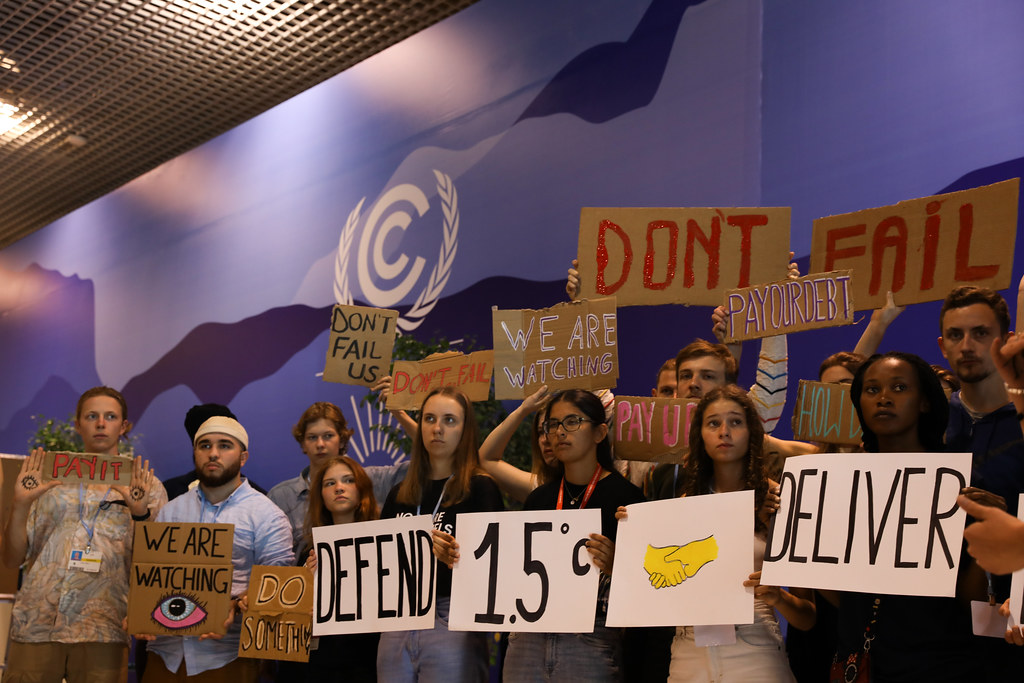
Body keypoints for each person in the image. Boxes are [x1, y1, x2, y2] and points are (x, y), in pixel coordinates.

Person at [835, 351, 987, 681]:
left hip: (942, 666)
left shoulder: (959, 484)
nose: (884, 398)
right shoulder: (840, 484)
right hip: (861, 666)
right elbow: (839, 597)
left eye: (900, 388)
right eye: (872, 390)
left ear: (925, 402)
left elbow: (974, 604)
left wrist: (990, 536)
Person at [1, 386, 166, 683]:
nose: (101, 423)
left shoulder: (147, 486)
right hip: (35, 626)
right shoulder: (46, 479)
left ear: (123, 426)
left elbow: (156, 565)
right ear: (77, 424)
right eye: (92, 416)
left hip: (103, 629)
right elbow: (12, 560)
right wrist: (21, 503)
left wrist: (140, 514)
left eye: (110, 416)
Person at [654, 385, 808, 682]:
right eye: (713, 423)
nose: (724, 431)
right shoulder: (682, 506)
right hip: (688, 652)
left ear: (752, 432)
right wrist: (633, 527)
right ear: (700, 434)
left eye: (736, 422)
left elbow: (808, 617)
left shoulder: (778, 499)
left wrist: (779, 598)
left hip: (755, 646)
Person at [493, 389, 645, 682]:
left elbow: (650, 583)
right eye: (553, 425)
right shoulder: (539, 499)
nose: (560, 432)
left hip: (590, 638)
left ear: (600, 432)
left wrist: (618, 566)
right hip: (528, 638)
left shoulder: (627, 500)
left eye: (573, 422)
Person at [142, 415, 294, 682]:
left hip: (226, 657)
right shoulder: (172, 510)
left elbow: (281, 587)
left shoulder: (267, 515)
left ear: (243, 457)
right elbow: (152, 575)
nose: (213, 453)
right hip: (164, 655)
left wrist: (236, 604)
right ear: (195, 452)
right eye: (204, 445)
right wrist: (140, 610)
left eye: (224, 445)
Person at [377, 387, 504, 682]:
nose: (437, 428)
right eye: (429, 419)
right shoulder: (400, 493)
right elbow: (379, 559)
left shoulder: (480, 488)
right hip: (398, 616)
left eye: (449, 420)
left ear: (465, 430)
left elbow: (495, 568)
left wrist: (456, 559)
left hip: (452, 617)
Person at [279, 455, 380, 681]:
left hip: (368, 662)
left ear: (362, 489)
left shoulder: (383, 545)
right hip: (319, 665)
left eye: (348, 480)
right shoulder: (309, 552)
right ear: (321, 496)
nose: (339, 488)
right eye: (329, 483)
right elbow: (293, 619)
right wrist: (305, 586)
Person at [268, 401, 411, 554]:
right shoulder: (280, 497)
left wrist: (399, 413)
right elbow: (275, 562)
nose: (320, 444)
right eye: (312, 437)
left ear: (342, 440)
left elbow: (427, 464)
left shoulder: (372, 479)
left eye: (328, 436)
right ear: (303, 444)